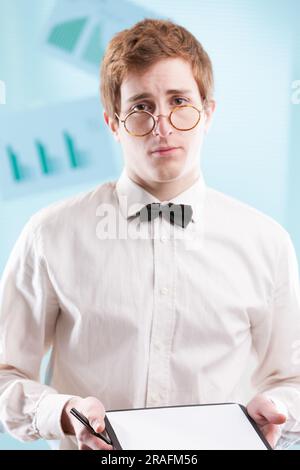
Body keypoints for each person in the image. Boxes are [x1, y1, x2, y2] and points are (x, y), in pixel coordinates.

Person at [0, 18, 300, 451]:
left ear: (208, 113)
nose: (162, 124)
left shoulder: (266, 243)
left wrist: (277, 412)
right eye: (141, 106)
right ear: (113, 123)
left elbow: (293, 379)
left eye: (179, 101)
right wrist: (63, 414)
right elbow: (6, 372)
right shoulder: (50, 233)